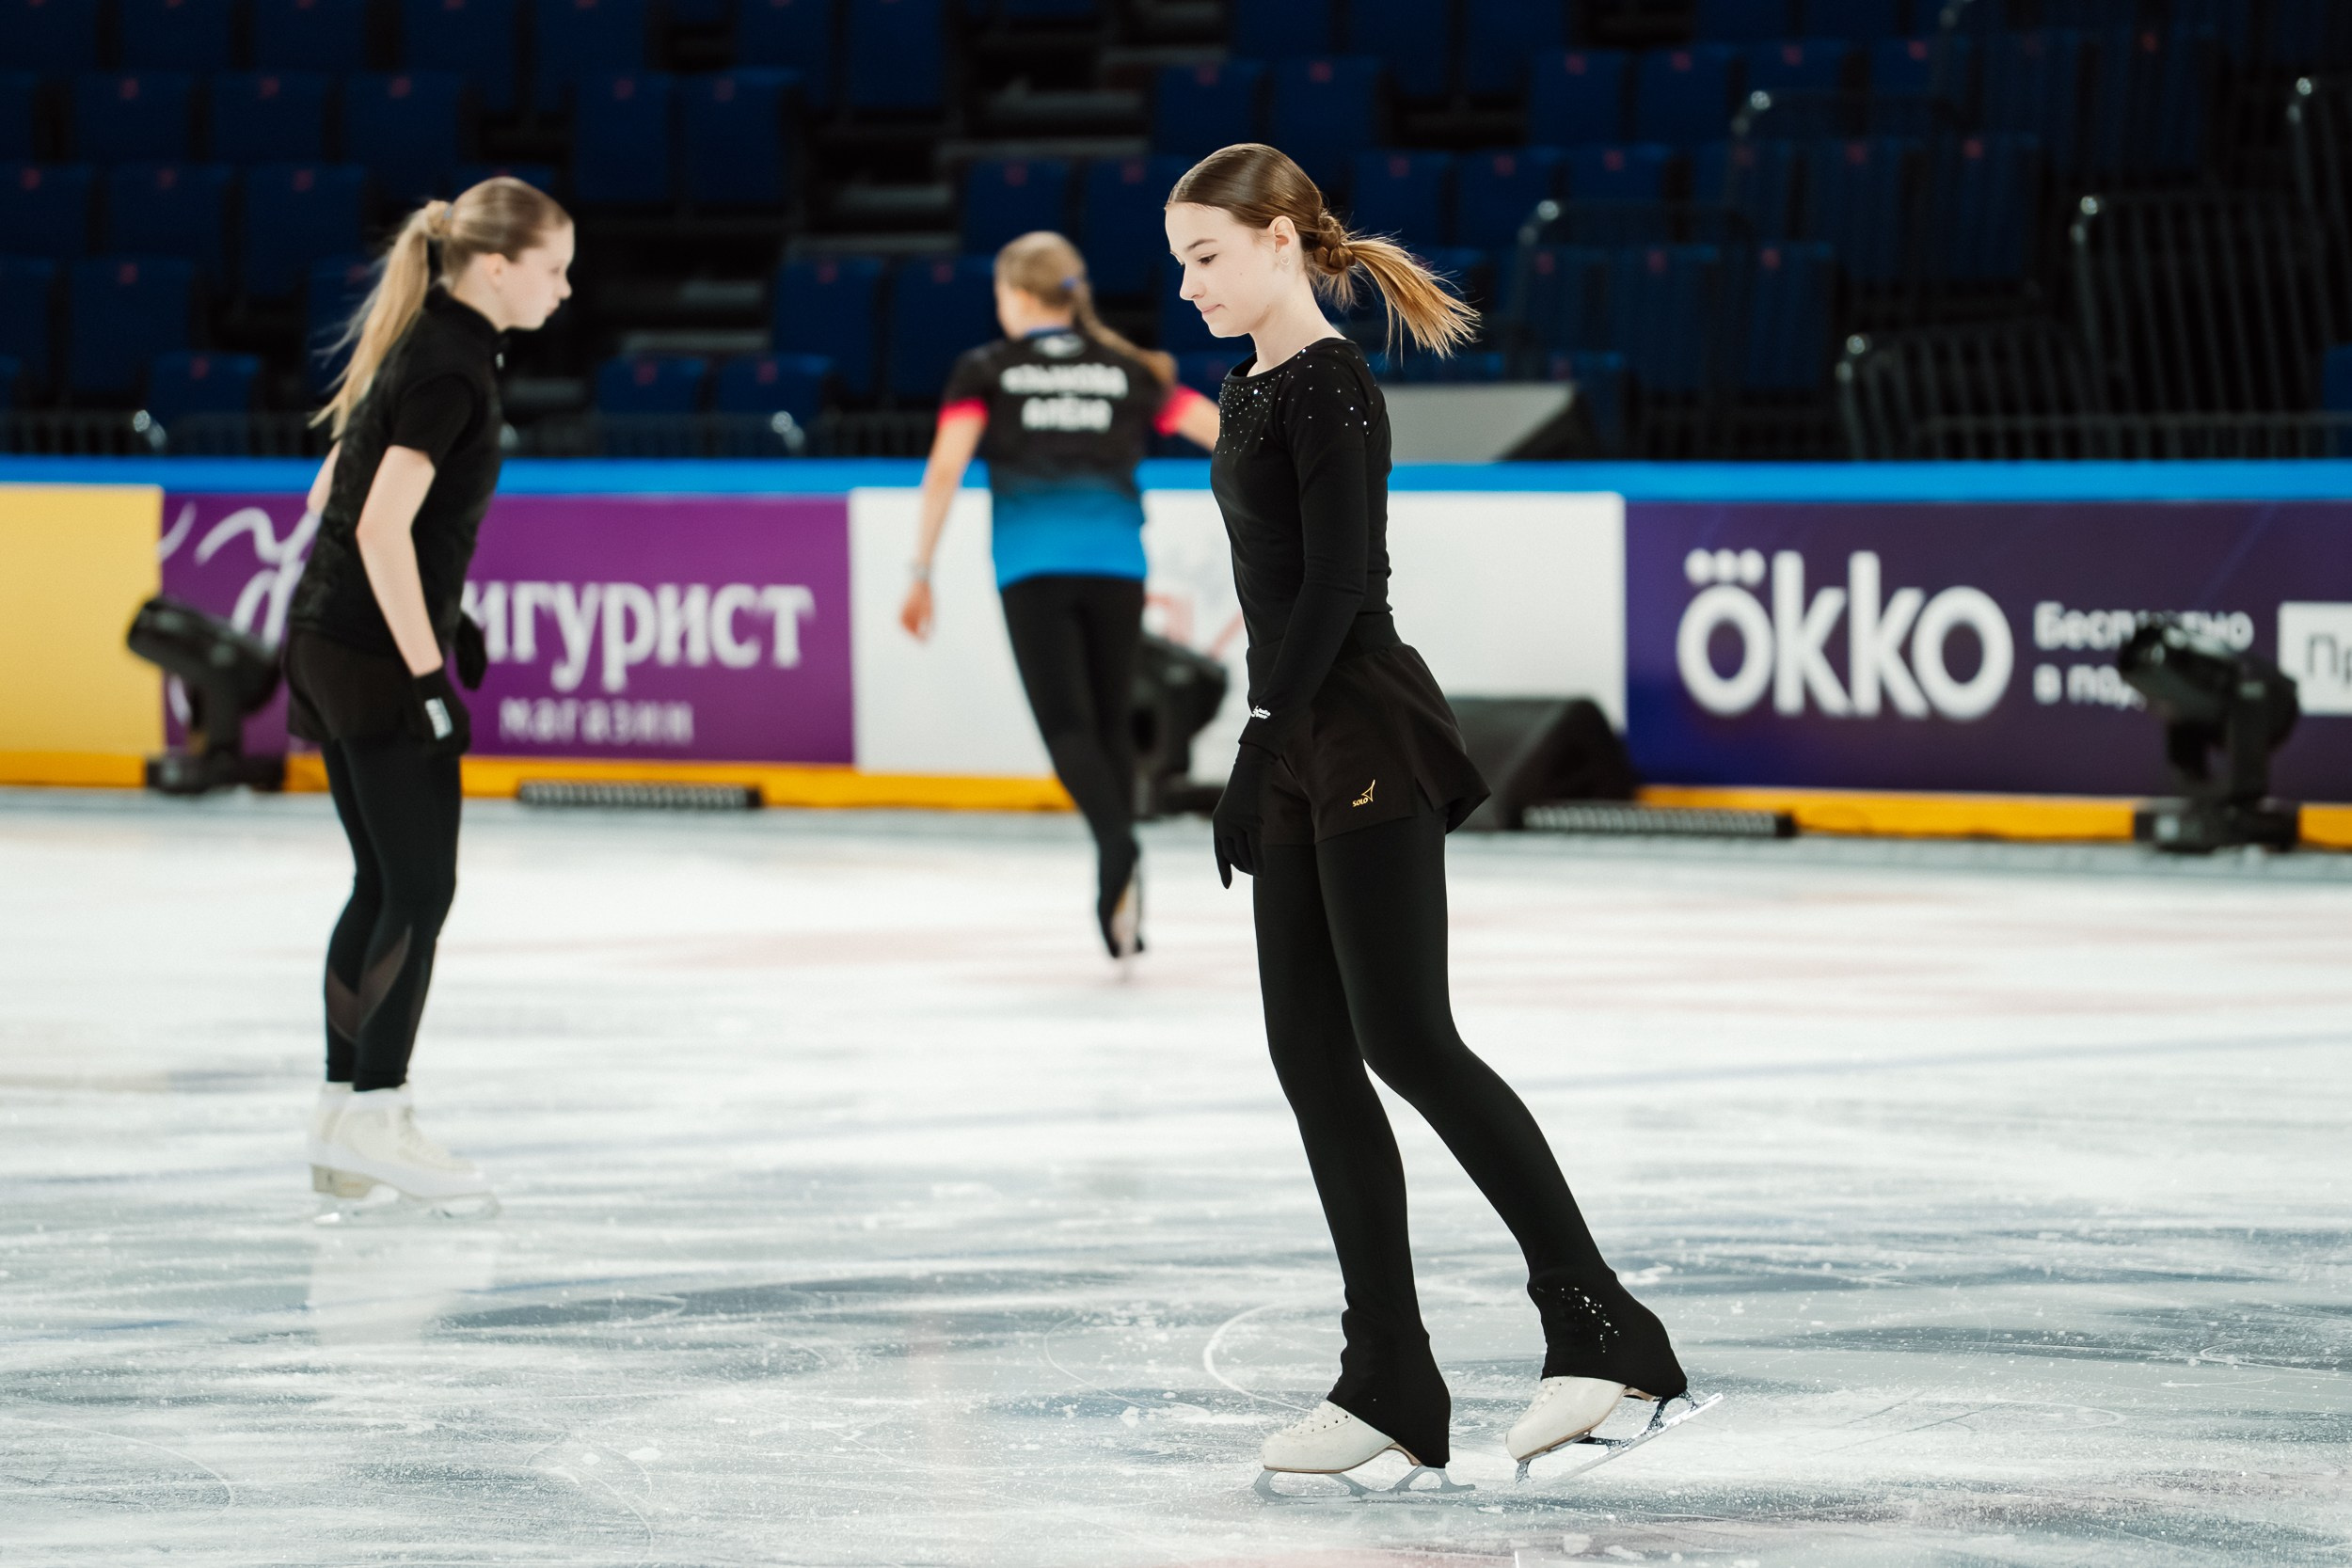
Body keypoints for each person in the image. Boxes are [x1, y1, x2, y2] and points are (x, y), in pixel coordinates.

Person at [1164, 144, 1693, 1485]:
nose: (1190, 286)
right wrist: (1263, 739)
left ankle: (1603, 1324)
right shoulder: (1250, 387)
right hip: (1296, 735)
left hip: (1361, 732)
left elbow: (1340, 583)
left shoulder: (1331, 386)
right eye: (1180, 261)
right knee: (1309, 1050)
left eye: (1208, 256)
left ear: (1284, 239)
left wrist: (1257, 734)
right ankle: (1388, 1369)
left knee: (1408, 1036)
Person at [284, 176, 574, 1212]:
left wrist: (442, 615)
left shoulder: (422, 344)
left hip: (324, 638)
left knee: (378, 881)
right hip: (369, 656)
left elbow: (331, 492)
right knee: (421, 889)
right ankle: (378, 1110)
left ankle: (338, 1117)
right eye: (553, 268)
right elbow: (375, 523)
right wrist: (425, 669)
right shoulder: (448, 365)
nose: (565, 289)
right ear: (497, 266)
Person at [899, 230, 1220, 960]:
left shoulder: (986, 368)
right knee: (1108, 721)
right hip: (1117, 565)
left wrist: (919, 570)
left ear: (1014, 295)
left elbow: (946, 469)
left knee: (1065, 726)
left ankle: (1116, 847)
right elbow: (1219, 429)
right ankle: (1124, 864)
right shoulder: (1126, 366)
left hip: (1030, 568)